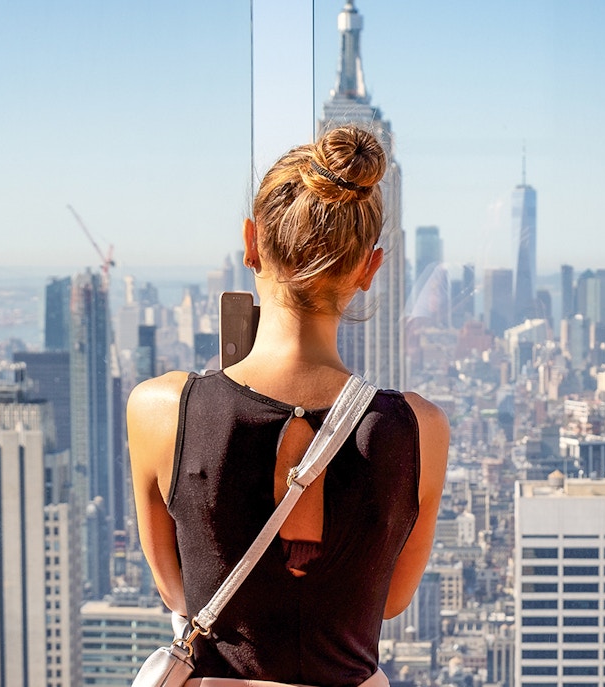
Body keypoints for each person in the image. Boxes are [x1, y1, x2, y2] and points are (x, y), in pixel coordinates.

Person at [128, 125, 449, 686]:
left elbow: (175, 587)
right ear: (369, 270)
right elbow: (392, 598)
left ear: (251, 243)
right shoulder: (419, 429)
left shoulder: (161, 410)